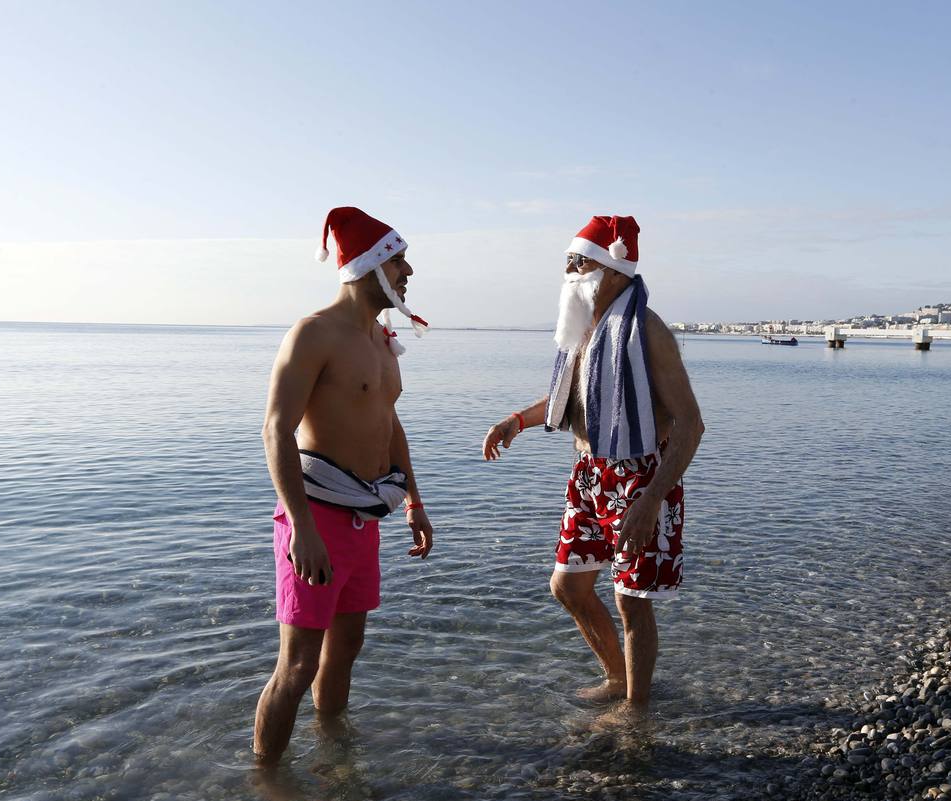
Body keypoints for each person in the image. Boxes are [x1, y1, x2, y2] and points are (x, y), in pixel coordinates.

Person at [482, 215, 703, 715]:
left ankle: (636, 712)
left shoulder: (648, 333)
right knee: (568, 586)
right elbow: (572, 400)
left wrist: (651, 501)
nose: (569, 270)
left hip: (642, 477)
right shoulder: (586, 331)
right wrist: (516, 420)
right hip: (589, 475)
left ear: (612, 269)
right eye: (568, 261)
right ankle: (617, 678)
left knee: (631, 600)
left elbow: (691, 425)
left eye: (577, 261)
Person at [253, 206, 433, 766]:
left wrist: (415, 503)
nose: (407, 272)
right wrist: (301, 528)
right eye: (398, 260)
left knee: (347, 649)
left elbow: (388, 420)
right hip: (317, 516)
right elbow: (275, 429)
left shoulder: (381, 341)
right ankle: (268, 780)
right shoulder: (314, 334)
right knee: (298, 663)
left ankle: (333, 759)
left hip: (367, 511)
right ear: (370, 266)